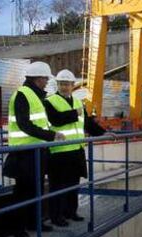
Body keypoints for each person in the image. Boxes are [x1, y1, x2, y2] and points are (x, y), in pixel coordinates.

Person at [3, 61, 66, 237]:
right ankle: (18, 227)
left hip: (36, 151)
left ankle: (33, 222)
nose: (47, 82)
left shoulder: (36, 95)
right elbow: (24, 125)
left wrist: (51, 134)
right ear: (38, 79)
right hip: (24, 152)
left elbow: (38, 123)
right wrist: (50, 136)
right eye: (45, 79)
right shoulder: (23, 95)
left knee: (35, 190)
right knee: (23, 191)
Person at [45, 69, 106, 227]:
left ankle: (71, 212)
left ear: (73, 85)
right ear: (57, 85)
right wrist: (75, 113)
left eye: (67, 84)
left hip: (76, 150)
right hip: (58, 152)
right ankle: (56, 217)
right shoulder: (49, 101)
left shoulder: (78, 102)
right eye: (61, 84)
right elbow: (56, 120)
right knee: (57, 187)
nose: (64, 87)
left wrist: (104, 133)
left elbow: (87, 123)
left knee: (73, 184)